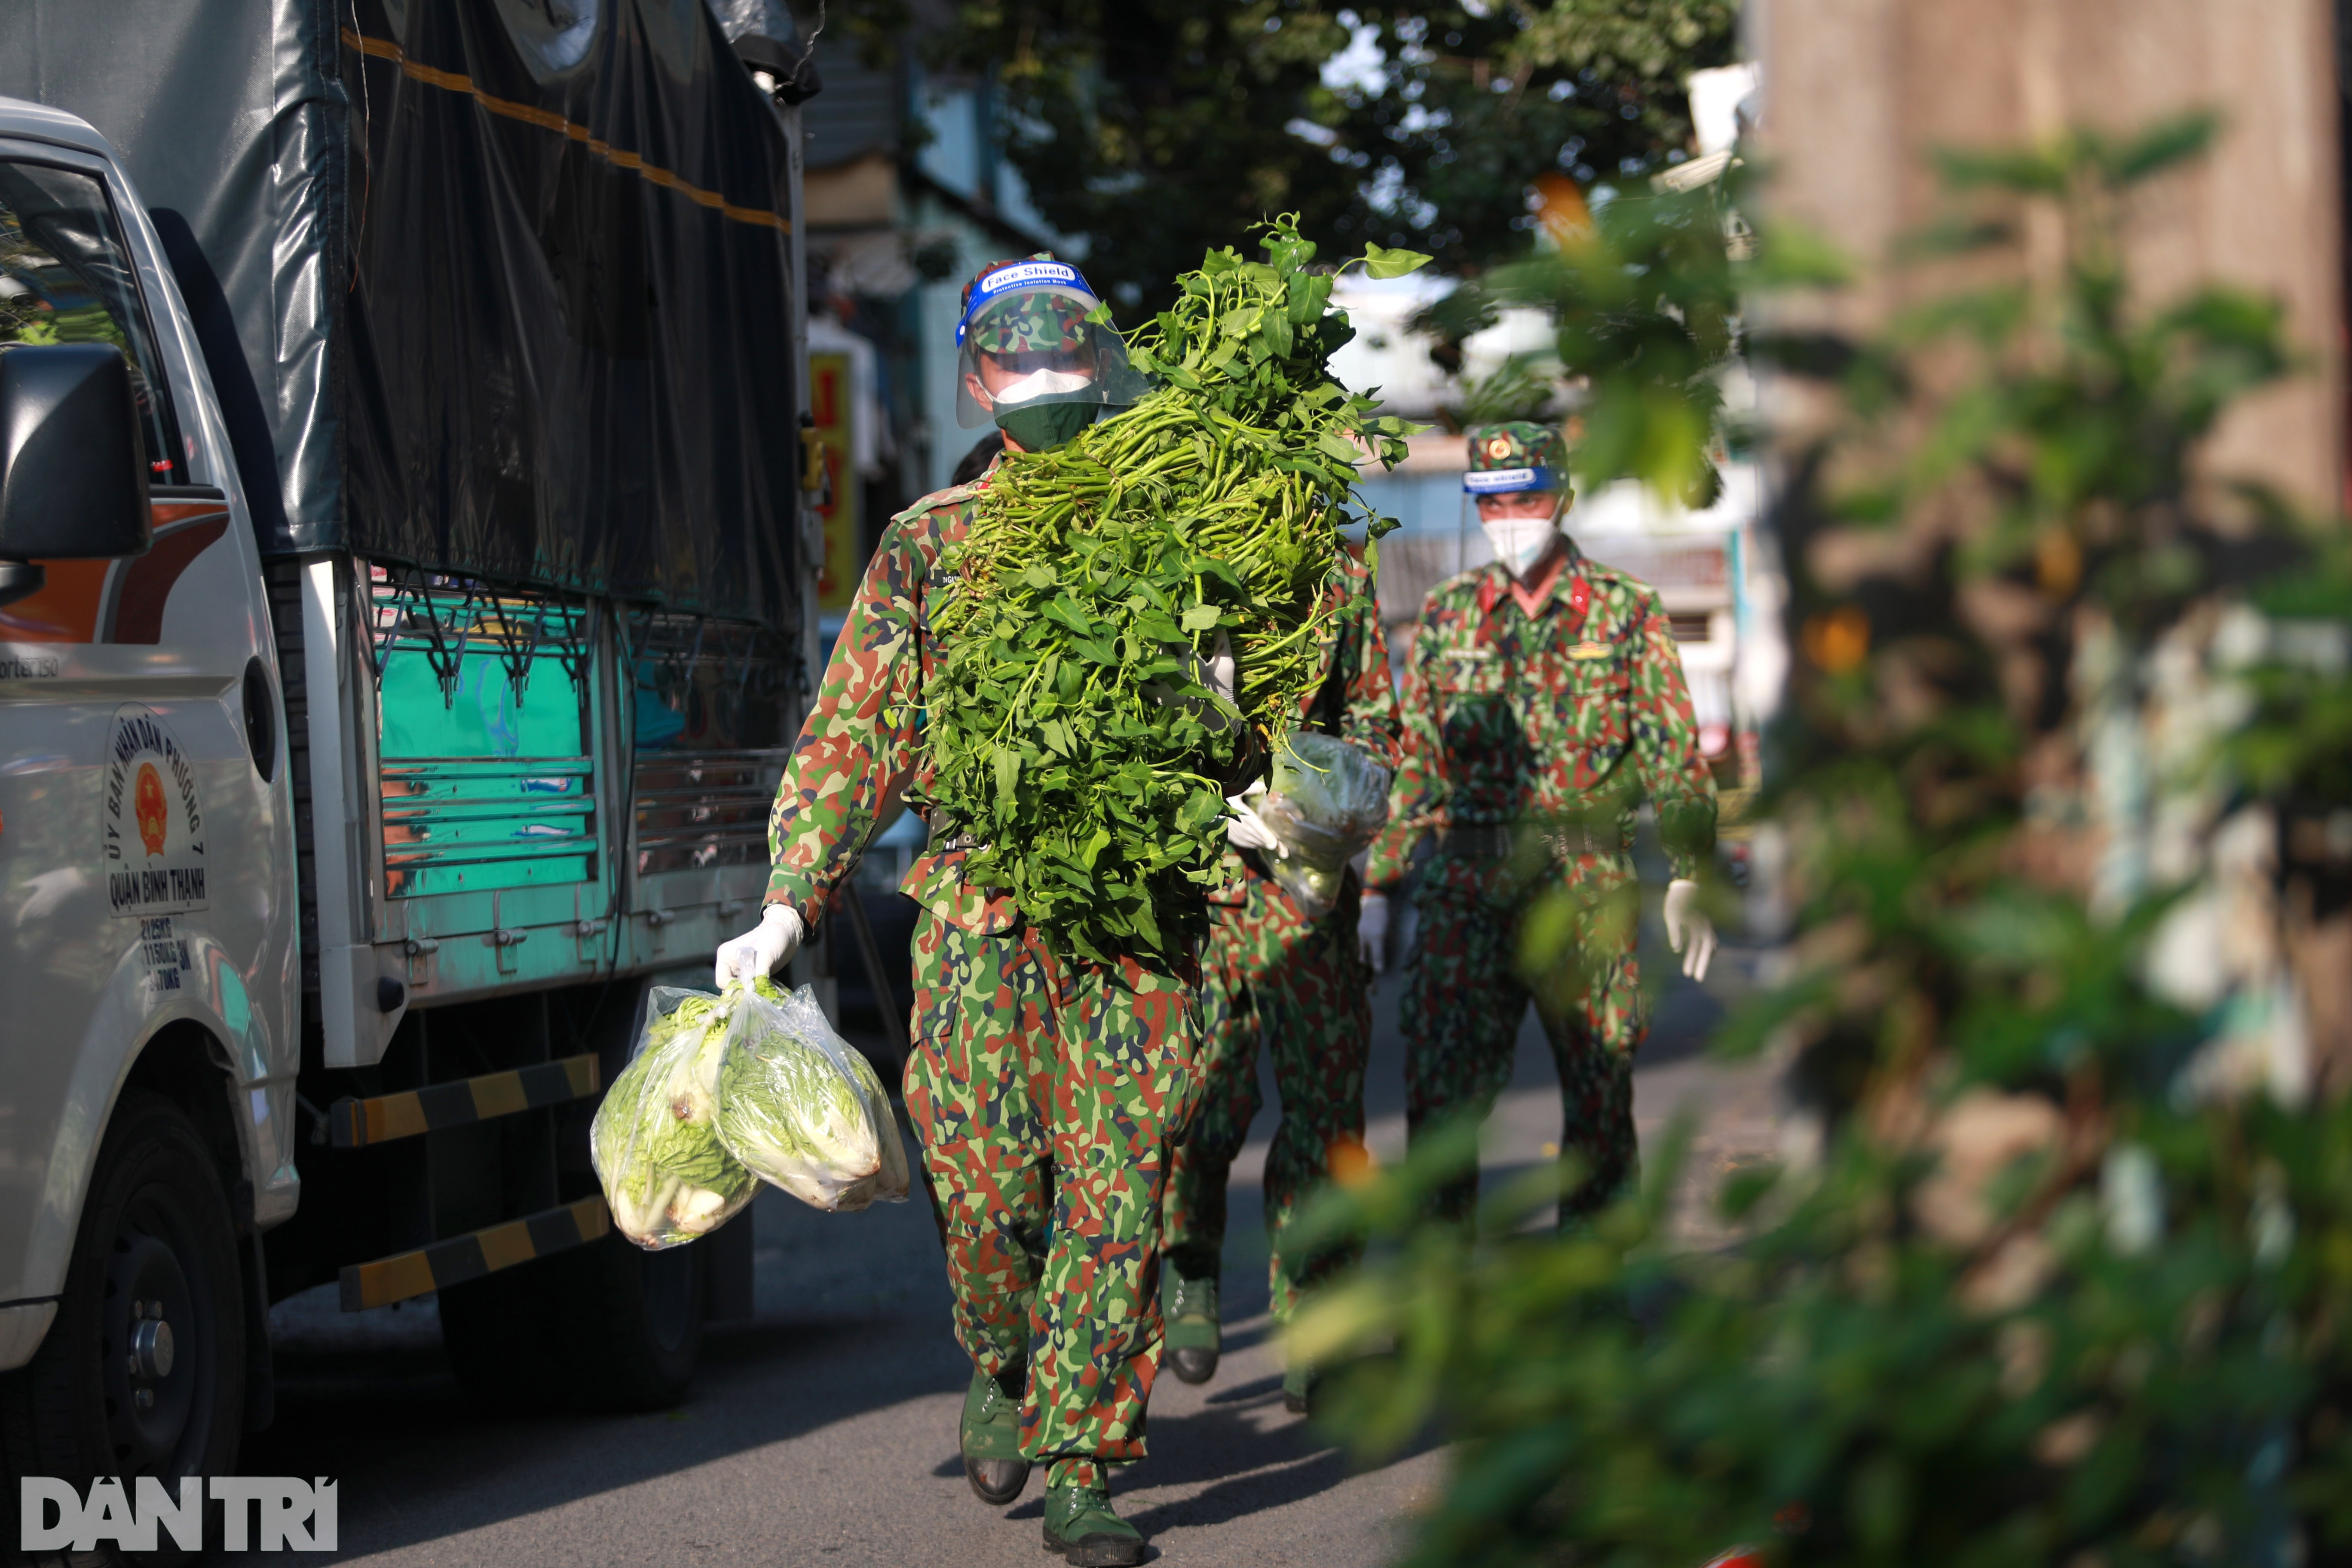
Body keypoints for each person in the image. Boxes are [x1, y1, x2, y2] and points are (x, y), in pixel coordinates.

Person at [716, 255, 1176, 1568]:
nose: (1044, 386)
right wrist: (790, 901)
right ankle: (1000, 1354)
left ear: (1104, 362)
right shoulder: (929, 543)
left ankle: (1087, 1466)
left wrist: (1269, 792)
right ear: (977, 379)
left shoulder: (1177, 526)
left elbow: (1257, 698)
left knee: (1116, 1183)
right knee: (978, 1174)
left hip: (1135, 913)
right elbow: (857, 732)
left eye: (1067, 359)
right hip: (976, 901)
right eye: (1017, 364)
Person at [1359, 422, 1718, 1225]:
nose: (1511, 518)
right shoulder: (1451, 615)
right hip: (1466, 885)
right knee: (1442, 1101)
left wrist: (1692, 869)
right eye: (1492, 504)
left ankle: (1596, 1288)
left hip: (1585, 883)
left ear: (1564, 498)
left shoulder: (1627, 611)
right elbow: (1418, 761)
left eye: (1528, 498)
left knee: (1599, 1093)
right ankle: (1440, 1297)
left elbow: (1671, 746)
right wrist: (1380, 887)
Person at [1157, 548, 1400, 1413]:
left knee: (1327, 1116)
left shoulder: (1341, 573)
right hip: (1201, 888)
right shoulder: (1178, 544)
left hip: (1309, 887)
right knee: (1198, 1104)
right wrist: (1204, 795)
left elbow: (1376, 724)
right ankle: (1188, 1256)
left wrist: (1328, 808)